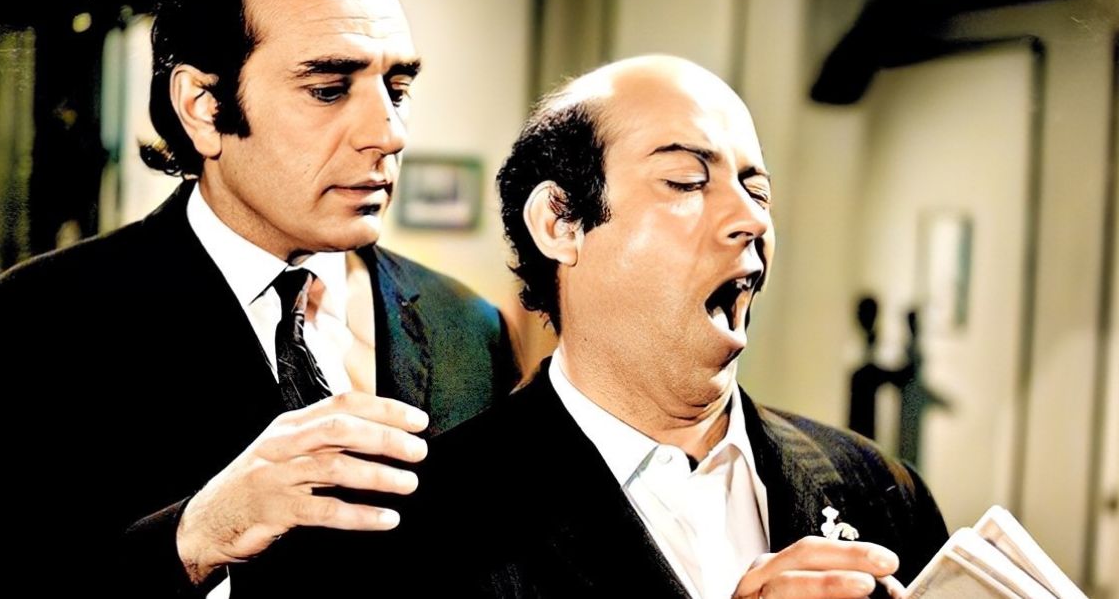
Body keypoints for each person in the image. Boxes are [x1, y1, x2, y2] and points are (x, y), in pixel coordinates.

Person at [0, 0, 516, 596]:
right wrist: (195, 539)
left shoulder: (468, 327)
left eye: (396, 89)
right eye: (328, 88)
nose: (389, 133)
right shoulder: (16, 332)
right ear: (203, 108)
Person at [396, 55, 948, 598]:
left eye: (757, 191)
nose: (751, 219)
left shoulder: (880, 489)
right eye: (688, 182)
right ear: (561, 221)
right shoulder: (429, 522)